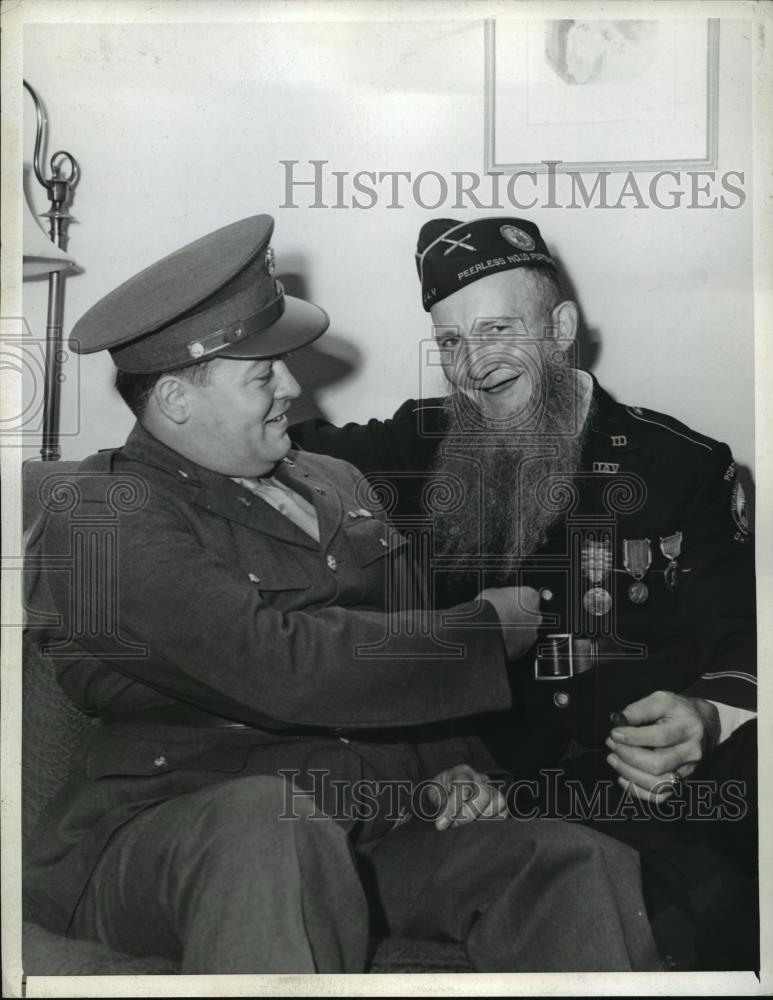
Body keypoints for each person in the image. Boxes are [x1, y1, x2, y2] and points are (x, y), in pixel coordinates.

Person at [22, 214, 660, 975]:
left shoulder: (335, 483)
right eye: (263, 375)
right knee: (269, 825)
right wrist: (482, 633)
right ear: (176, 401)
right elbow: (275, 664)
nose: (292, 389)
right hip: (174, 836)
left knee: (569, 860)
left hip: (364, 825)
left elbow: (397, 633)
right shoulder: (101, 516)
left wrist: (456, 768)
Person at [290, 216, 759, 969]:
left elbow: (741, 641)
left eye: (497, 328)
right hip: (501, 797)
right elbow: (267, 454)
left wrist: (704, 715)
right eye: (449, 342)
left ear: (560, 328)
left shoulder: (681, 465)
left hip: (657, 783)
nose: (473, 365)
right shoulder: (417, 445)